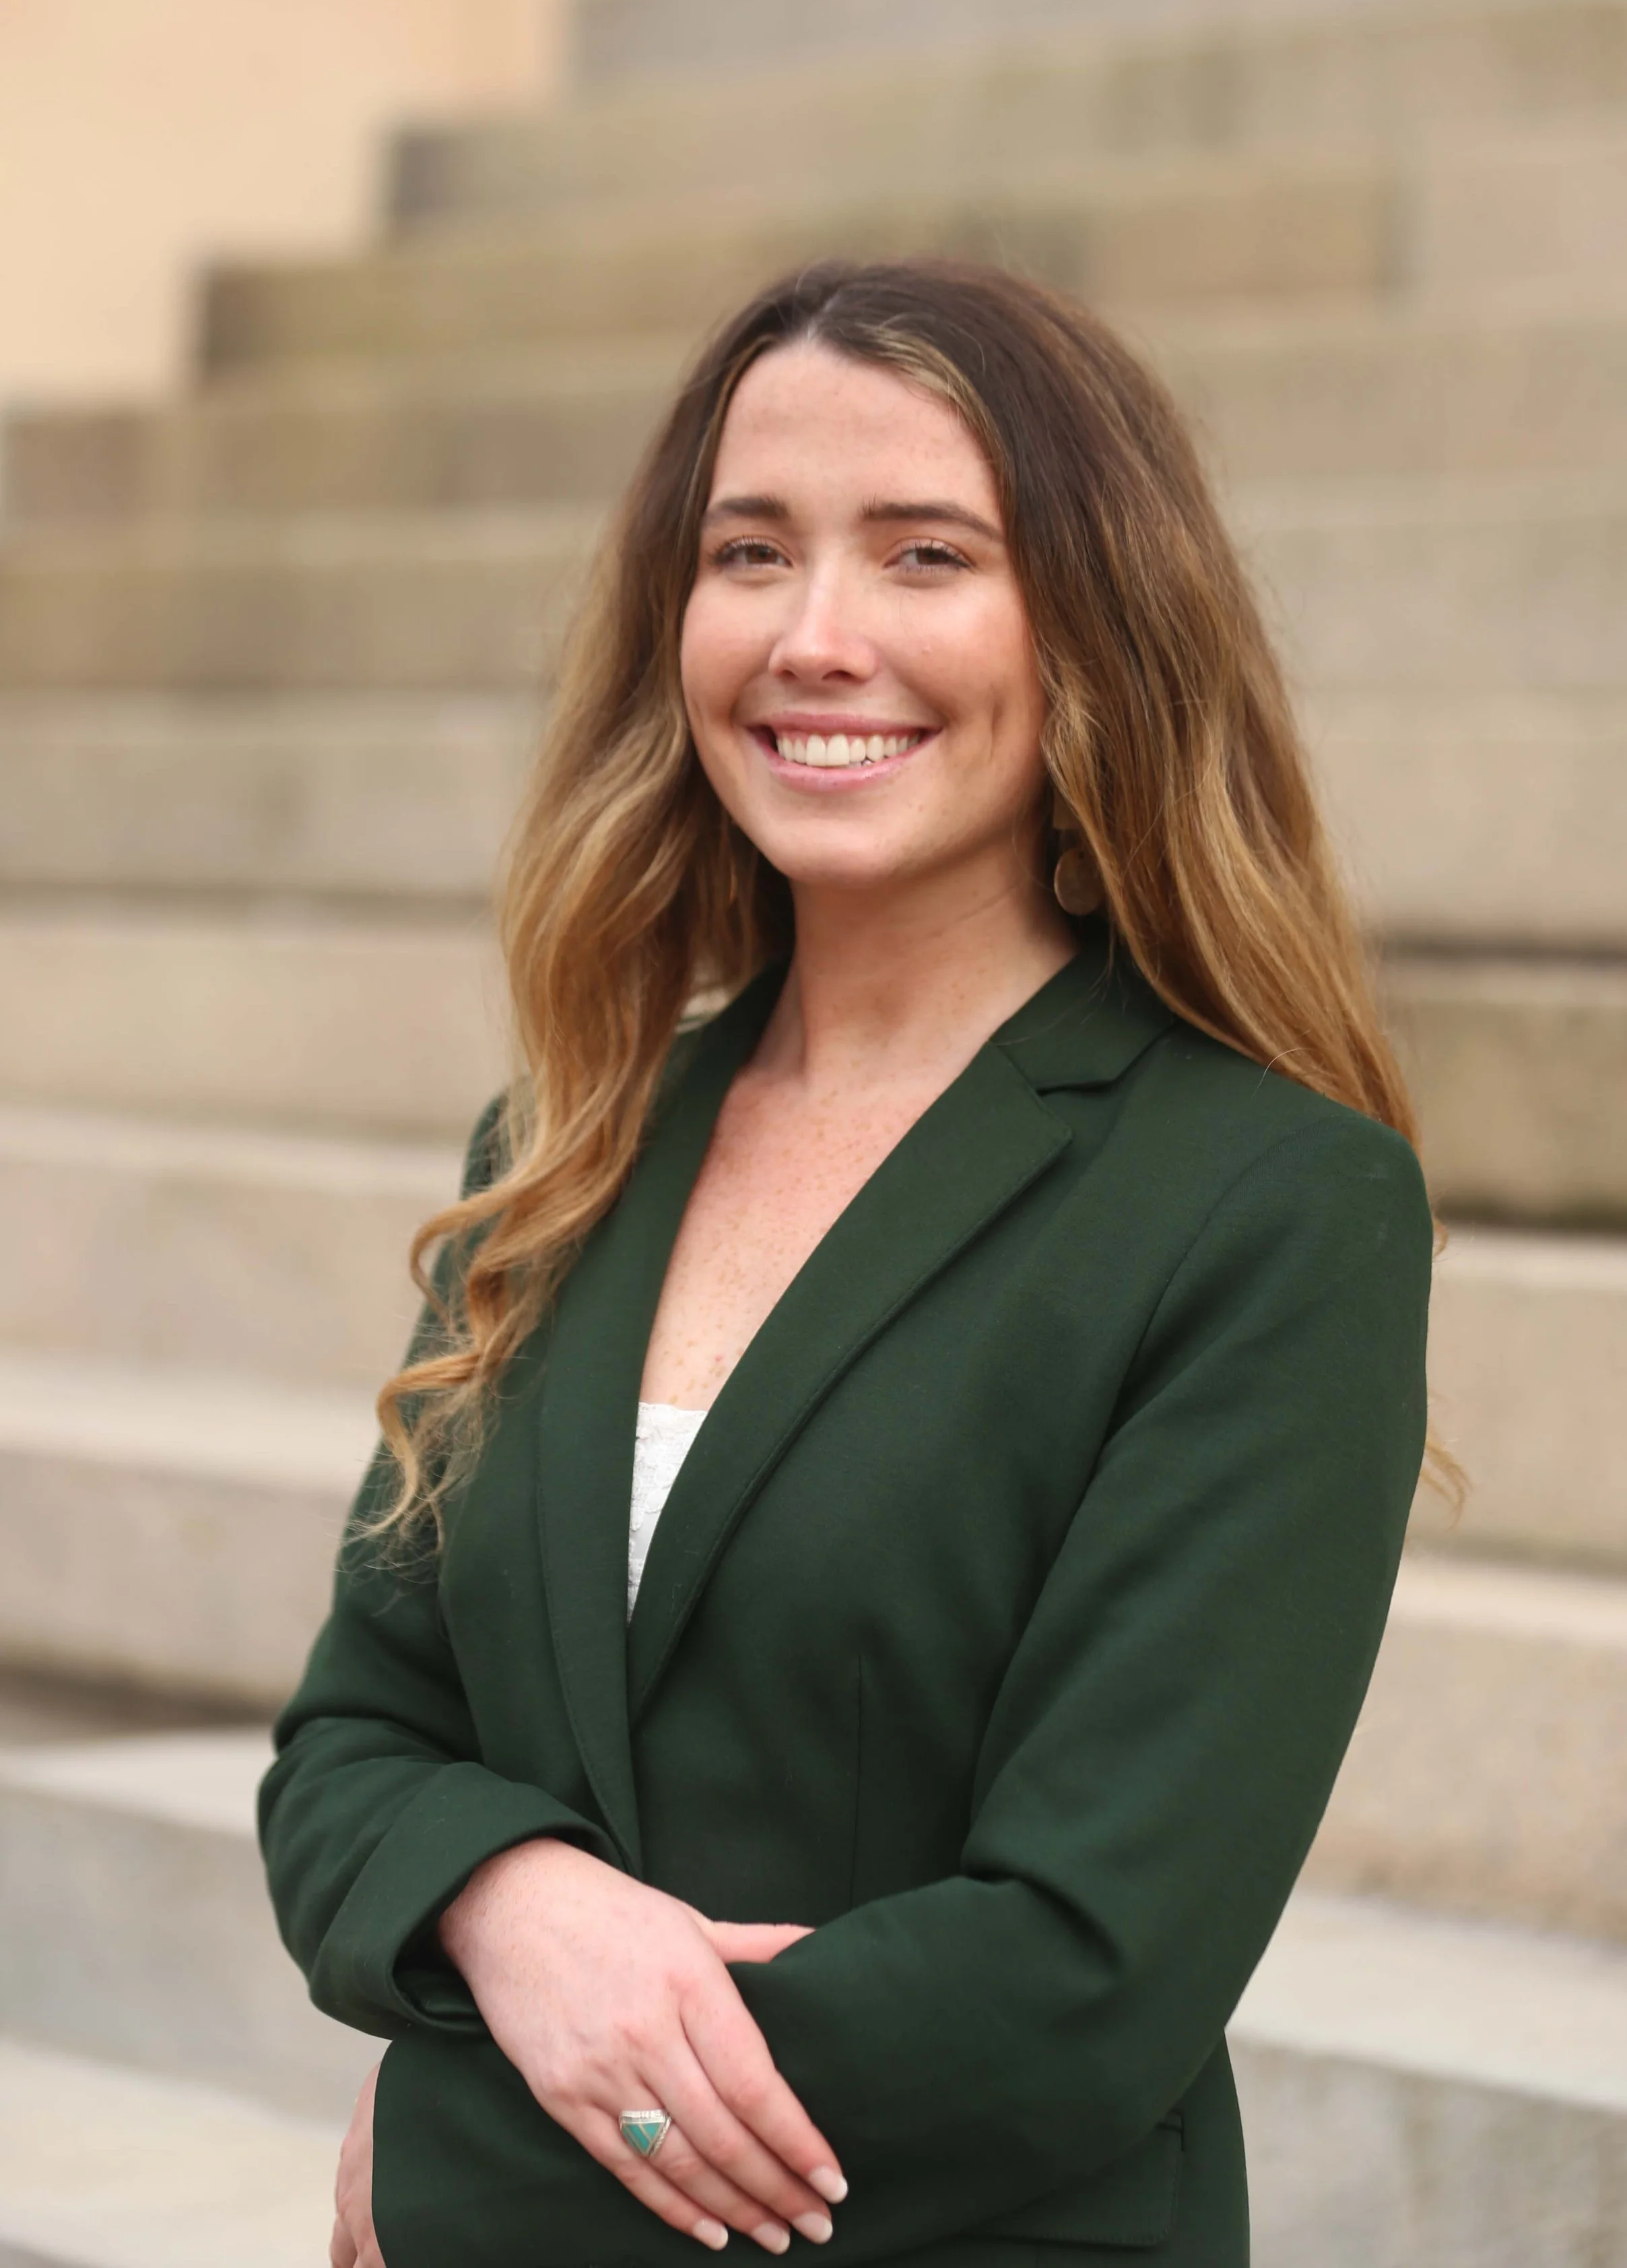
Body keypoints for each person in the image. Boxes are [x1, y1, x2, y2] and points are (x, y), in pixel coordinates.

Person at [259, 258, 1438, 2268]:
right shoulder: (562, 1150)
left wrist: (451, 2155)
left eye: (923, 554)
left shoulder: (1266, 1200)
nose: (818, 638)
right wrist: (516, 1899)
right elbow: (351, 1754)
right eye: (748, 552)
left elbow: (1083, 1971)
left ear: (1092, 626)